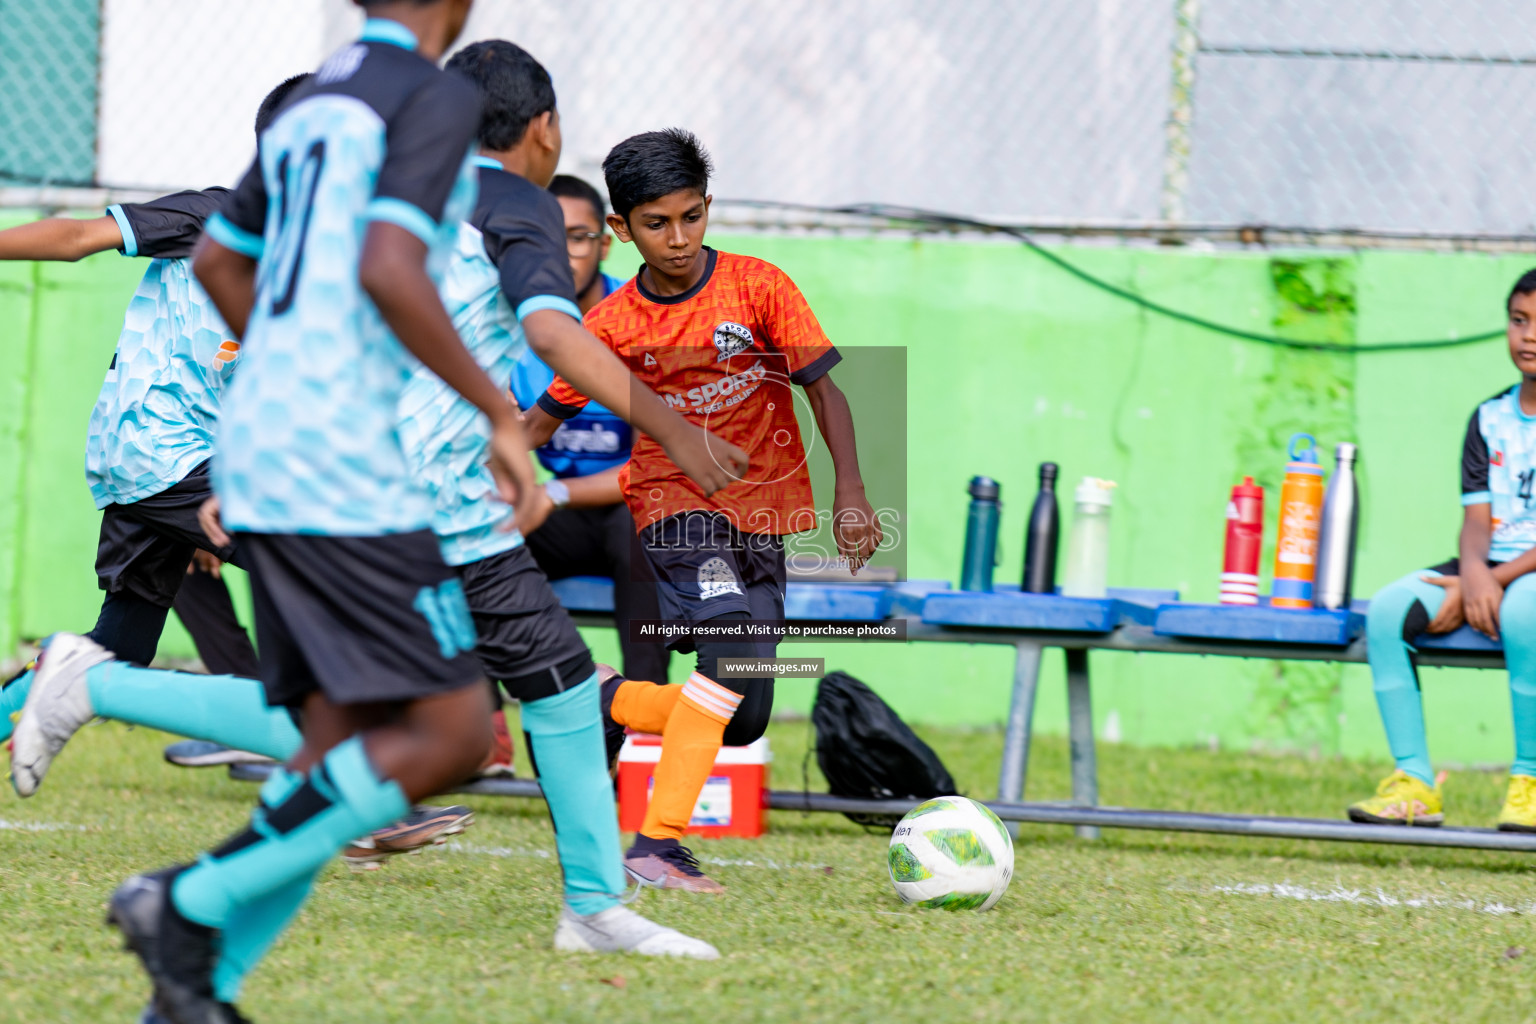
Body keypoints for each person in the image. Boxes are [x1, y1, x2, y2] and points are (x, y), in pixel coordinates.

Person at [14, 36, 742, 976]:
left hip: (424, 500)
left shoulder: (376, 196)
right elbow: (554, 331)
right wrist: (672, 429)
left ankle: (595, 904)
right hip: (379, 506)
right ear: (545, 129)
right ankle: (98, 700)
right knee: (377, 731)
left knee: (556, 678)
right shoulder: (503, 201)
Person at [70, 4, 512, 1018]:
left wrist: (272, 379)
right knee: (451, 728)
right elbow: (388, 265)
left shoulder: (316, 100)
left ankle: (192, 990)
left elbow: (224, 263)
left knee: (329, 739)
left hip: (263, 446)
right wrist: (496, 412)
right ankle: (186, 898)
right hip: (338, 455)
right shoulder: (433, 95)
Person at [526, 128, 882, 892]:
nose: (679, 238)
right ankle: (658, 844)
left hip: (766, 519)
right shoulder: (613, 326)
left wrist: (851, 490)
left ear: (708, 207)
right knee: (725, 655)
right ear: (623, 229)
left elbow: (825, 390)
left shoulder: (760, 288)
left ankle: (611, 699)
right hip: (676, 513)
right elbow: (538, 423)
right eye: (657, 224)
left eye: (692, 217)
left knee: (743, 715)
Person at [0, 74, 309, 740]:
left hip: (180, 464)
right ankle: (348, 791)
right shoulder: (215, 218)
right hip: (159, 449)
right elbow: (78, 238)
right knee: (329, 574)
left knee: (118, 652)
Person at [1347, 267, 1536, 832]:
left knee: (1526, 613)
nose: (1528, 336)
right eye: (1519, 321)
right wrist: (1475, 571)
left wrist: (1491, 585)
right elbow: (1476, 519)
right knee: (1386, 611)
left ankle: (1529, 781)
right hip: (1492, 567)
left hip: (1520, 581)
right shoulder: (1488, 418)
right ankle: (1415, 784)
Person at [511, 173, 669, 683]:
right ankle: (511, 713)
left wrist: (550, 492)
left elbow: (650, 470)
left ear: (603, 244)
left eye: (576, 238)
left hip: (636, 513)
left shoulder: (647, 319)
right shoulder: (510, 328)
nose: (560, 255)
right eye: (544, 239)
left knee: (639, 525)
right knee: (477, 532)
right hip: (567, 516)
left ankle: (645, 707)